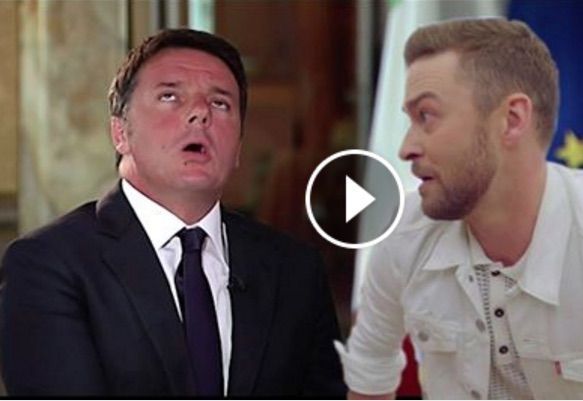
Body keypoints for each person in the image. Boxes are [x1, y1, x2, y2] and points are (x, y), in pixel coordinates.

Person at [336, 18, 583, 399]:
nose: (406, 148)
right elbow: (370, 376)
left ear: (512, 120)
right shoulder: (403, 236)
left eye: (427, 116)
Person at [0, 28, 346, 397]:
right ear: (120, 133)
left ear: (238, 146)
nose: (200, 113)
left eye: (220, 103)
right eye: (170, 96)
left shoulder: (295, 270)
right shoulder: (47, 266)